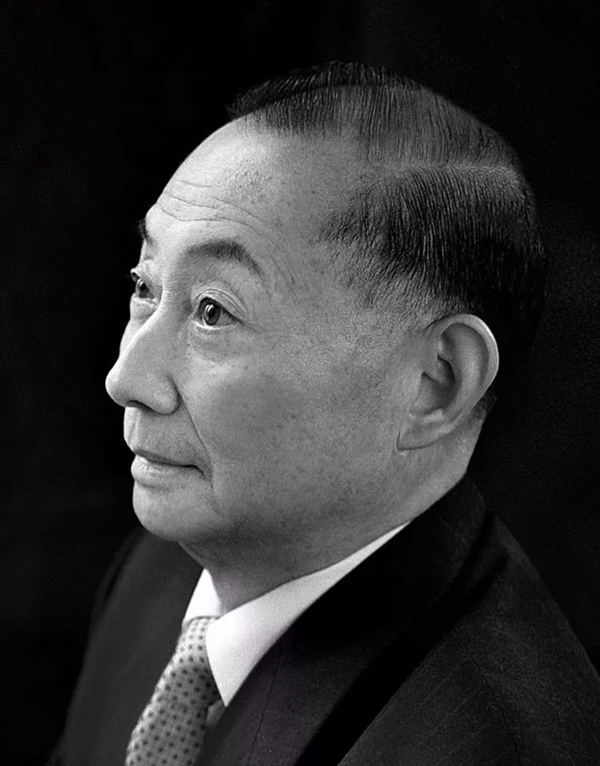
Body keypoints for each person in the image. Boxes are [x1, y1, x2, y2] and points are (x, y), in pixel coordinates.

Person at [50, 62, 600, 766]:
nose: (126, 379)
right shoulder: (164, 569)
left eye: (213, 311)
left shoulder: (487, 745)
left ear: (435, 383)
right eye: (145, 286)